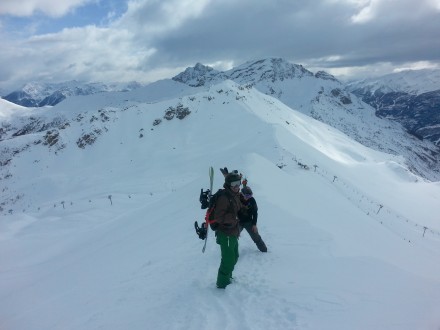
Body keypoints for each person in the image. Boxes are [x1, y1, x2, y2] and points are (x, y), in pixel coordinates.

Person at [213, 171, 243, 289]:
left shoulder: (235, 195)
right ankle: (222, 284)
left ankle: (228, 276)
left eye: (238, 183)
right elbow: (218, 217)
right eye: (234, 184)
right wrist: (235, 218)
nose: (237, 186)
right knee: (228, 259)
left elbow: (238, 208)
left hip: (233, 232)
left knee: (234, 256)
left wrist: (245, 210)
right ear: (229, 184)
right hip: (226, 233)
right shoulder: (224, 198)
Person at [238, 185, 268, 252]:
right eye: (247, 196)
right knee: (233, 236)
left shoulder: (252, 200)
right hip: (238, 222)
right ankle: (231, 252)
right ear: (242, 194)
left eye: (250, 195)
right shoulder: (237, 199)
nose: (248, 197)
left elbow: (255, 213)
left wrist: (254, 224)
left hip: (248, 222)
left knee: (255, 236)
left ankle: (264, 250)